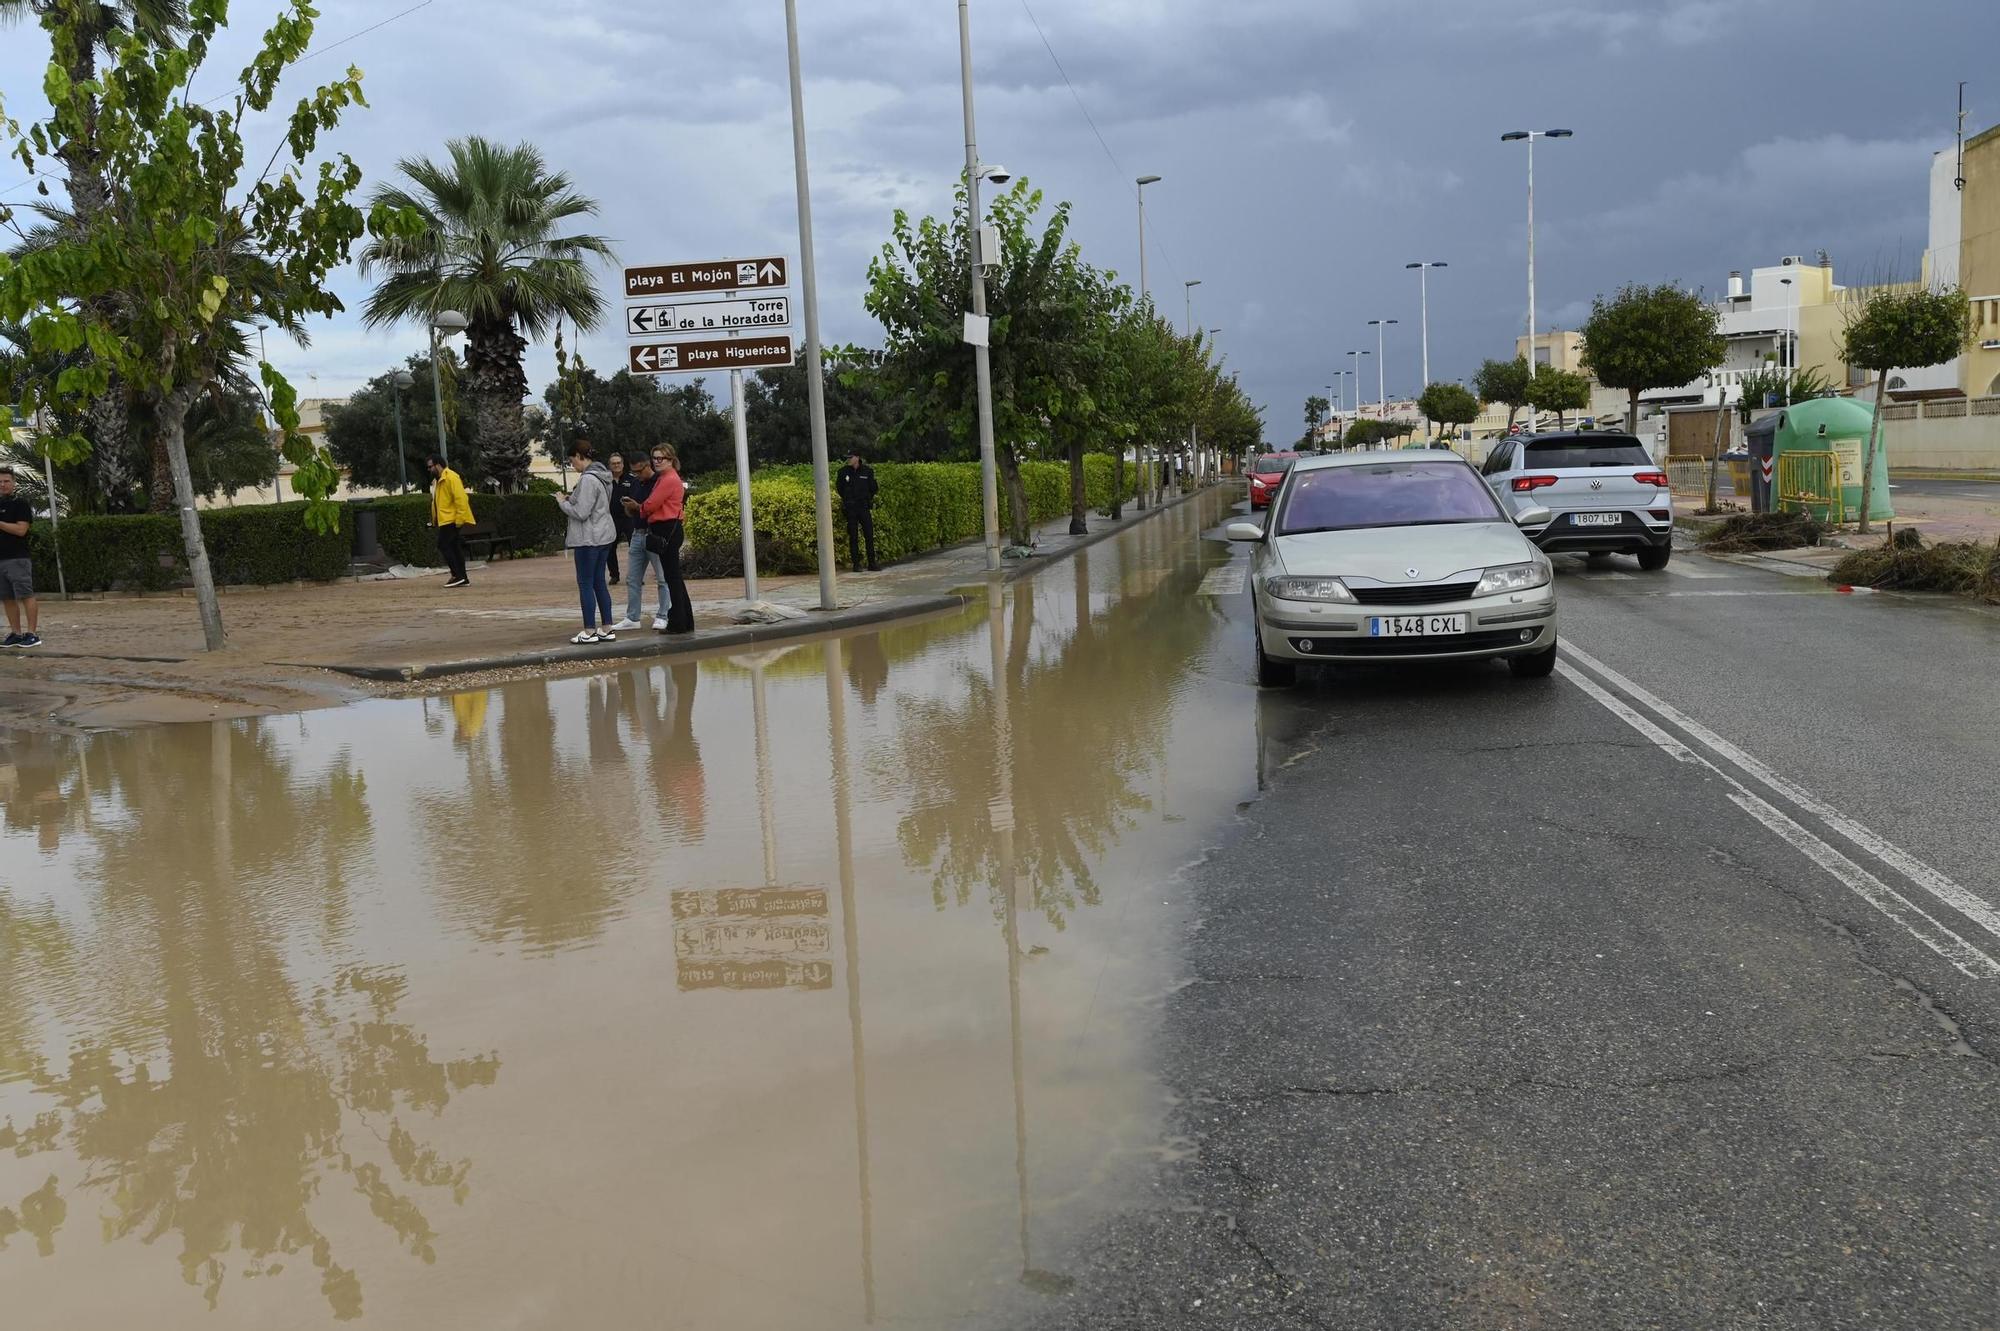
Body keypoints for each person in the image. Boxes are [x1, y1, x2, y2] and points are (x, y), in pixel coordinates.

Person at [556, 440, 618, 644]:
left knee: (585, 583)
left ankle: (589, 630)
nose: (572, 465)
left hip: (588, 538)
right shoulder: (603, 475)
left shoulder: (588, 479)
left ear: (579, 456)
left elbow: (581, 513)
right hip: (604, 535)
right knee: (599, 581)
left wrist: (562, 503)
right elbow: (594, 504)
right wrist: (572, 499)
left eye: (572, 460)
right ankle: (607, 627)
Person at [631, 443, 694, 634]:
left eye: (661, 458)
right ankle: (684, 620)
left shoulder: (668, 479)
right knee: (673, 577)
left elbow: (651, 504)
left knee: (672, 577)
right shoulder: (666, 477)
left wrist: (639, 508)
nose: (657, 462)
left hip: (667, 529)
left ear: (671, 460)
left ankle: (678, 622)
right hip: (666, 528)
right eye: (655, 458)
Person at [612, 451, 669, 632]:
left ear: (647, 465)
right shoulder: (636, 483)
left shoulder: (659, 481)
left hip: (654, 533)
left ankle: (663, 615)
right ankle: (632, 617)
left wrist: (639, 507)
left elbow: (655, 507)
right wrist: (629, 507)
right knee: (633, 578)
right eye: (634, 471)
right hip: (637, 533)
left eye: (639, 470)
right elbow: (635, 510)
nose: (637, 475)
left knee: (662, 578)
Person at [0, 467, 41, 649]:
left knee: (26, 595)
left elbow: (21, 530)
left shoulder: (21, 504)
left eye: (6, 481)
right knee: (7, 598)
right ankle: (16, 634)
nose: (2, 485)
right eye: (0, 482)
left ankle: (32, 634)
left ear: (14, 483)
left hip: (17, 558)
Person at [426, 455, 474, 588]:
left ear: (438, 465)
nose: (429, 469)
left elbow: (461, 499)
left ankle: (457, 575)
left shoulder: (451, 477)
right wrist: (434, 520)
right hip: (446, 519)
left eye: (430, 466)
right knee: (454, 547)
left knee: (443, 545)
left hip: (452, 519)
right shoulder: (438, 480)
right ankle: (462, 577)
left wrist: (459, 520)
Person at [835, 451, 880, 571]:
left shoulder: (867, 471)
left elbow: (873, 488)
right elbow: (839, 488)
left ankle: (872, 563)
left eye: (851, 457)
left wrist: (867, 498)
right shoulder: (843, 472)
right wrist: (847, 499)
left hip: (863, 507)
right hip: (851, 508)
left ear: (857, 458)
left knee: (869, 535)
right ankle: (856, 564)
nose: (849, 459)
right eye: (848, 457)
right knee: (853, 536)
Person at [603, 452, 625, 585]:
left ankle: (636, 575)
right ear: (609, 466)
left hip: (629, 518)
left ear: (622, 464)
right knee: (610, 547)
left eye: (618, 463)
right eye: (613, 463)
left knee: (636, 548)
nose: (616, 465)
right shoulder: (605, 481)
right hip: (612, 518)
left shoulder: (631, 479)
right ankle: (614, 575)